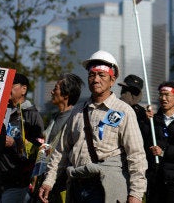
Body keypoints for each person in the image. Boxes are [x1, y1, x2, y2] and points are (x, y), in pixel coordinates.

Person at [37, 50, 147, 203]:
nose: (96, 79)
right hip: (75, 184)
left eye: (102, 75)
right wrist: (49, 181)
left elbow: (136, 155)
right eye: (92, 75)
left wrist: (136, 193)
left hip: (104, 187)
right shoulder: (77, 111)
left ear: (112, 80)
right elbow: (61, 150)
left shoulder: (124, 111)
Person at [37, 73, 84, 203]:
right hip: (47, 180)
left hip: (62, 184)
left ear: (66, 95)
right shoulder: (55, 117)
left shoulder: (75, 118)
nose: (52, 91)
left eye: (56, 88)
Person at [1, 73, 45, 203]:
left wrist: (15, 143)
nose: (6, 87)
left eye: (11, 84)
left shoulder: (32, 115)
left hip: (19, 181)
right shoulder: (3, 111)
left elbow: (40, 148)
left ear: (23, 89)